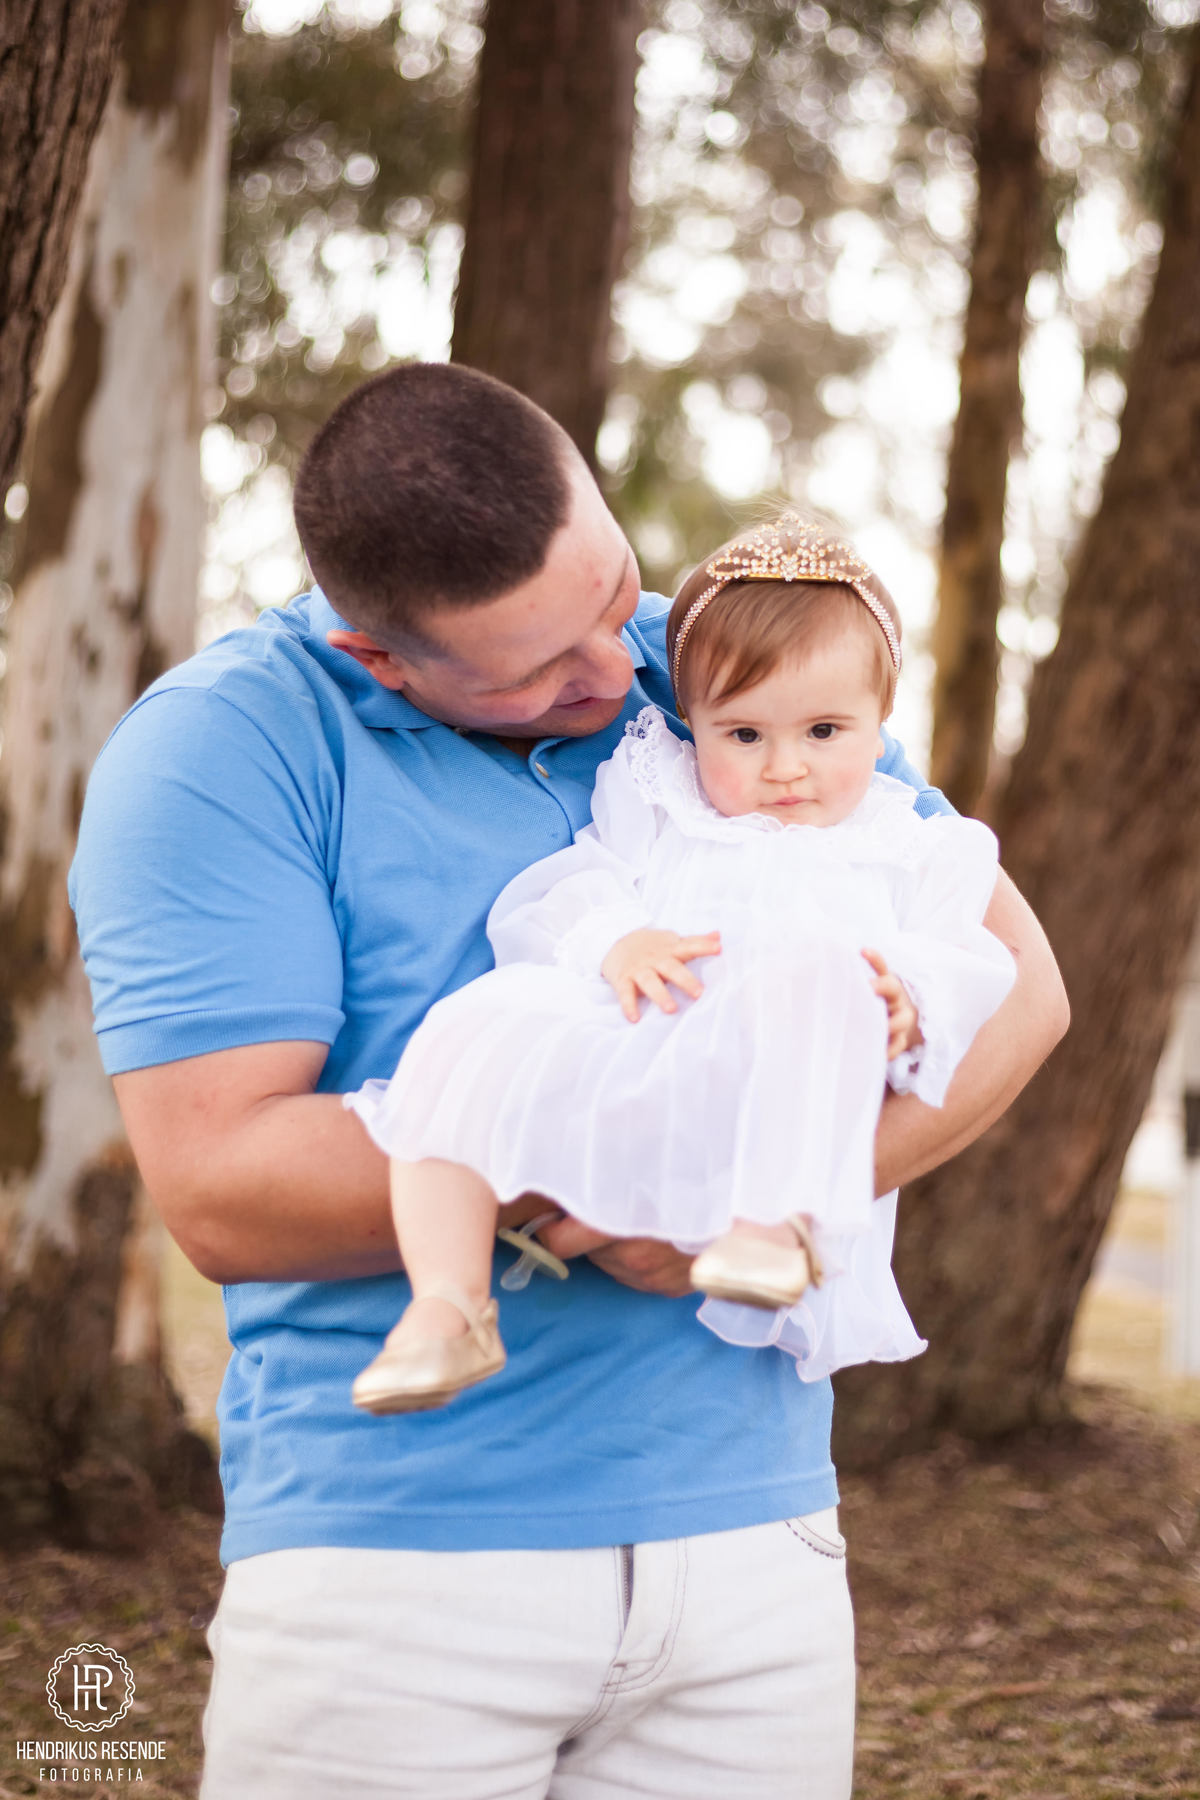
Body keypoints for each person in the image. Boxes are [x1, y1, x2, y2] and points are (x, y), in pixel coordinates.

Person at [69, 362, 1068, 1800]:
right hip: (400, 1572)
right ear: (381, 660)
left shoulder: (735, 661)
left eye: (613, 592)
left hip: (753, 1543)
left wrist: (779, 1193)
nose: (620, 678)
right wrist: (616, 1175)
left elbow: (1024, 993)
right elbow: (221, 1185)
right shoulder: (219, 752)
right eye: (540, 671)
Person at [345, 514, 1017, 1415]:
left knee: (822, 969)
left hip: (776, 1078)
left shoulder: (917, 846)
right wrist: (618, 938)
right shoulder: (661, 794)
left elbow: (969, 963)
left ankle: (776, 1224)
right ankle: (448, 1303)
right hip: (647, 1033)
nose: (786, 768)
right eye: (742, 735)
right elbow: (578, 880)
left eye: (824, 730)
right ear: (691, 722)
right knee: (470, 1027)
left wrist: (915, 1000)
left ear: (881, 718)